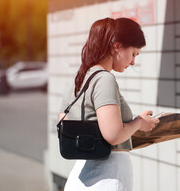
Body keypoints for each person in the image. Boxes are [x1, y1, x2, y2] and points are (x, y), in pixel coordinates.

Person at [60, 17, 160, 191]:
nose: (133, 61)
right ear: (117, 46)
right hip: (107, 176)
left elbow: (65, 125)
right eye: (134, 53)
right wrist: (139, 123)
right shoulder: (104, 79)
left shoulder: (78, 80)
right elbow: (113, 135)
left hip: (80, 175)